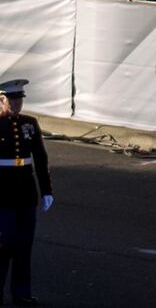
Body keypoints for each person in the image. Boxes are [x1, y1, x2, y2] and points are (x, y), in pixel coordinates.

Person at [0, 79, 53, 307]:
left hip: (26, 191)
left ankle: (21, 293)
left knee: (24, 244)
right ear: (2, 100)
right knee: (5, 244)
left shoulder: (30, 123)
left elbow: (40, 158)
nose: (16, 105)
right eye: (12, 100)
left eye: (19, 100)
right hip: (2, 192)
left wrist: (46, 190)